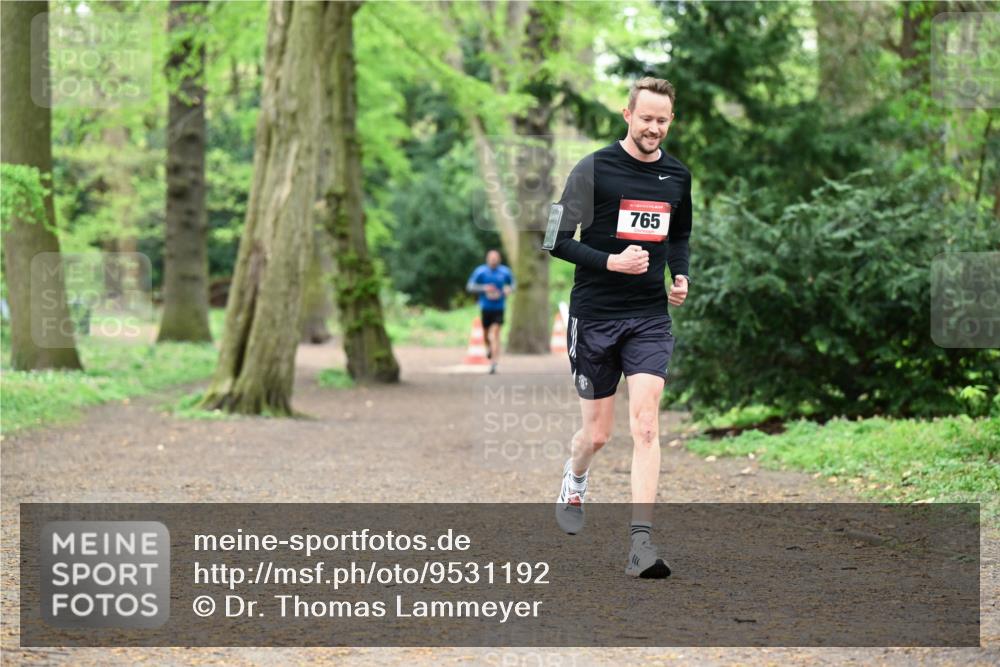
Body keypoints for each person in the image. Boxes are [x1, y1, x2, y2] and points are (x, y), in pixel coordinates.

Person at [547, 77, 692, 578]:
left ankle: (640, 546)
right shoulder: (592, 169)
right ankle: (575, 478)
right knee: (598, 434)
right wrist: (611, 263)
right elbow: (555, 240)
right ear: (626, 115)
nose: (654, 128)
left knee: (647, 425)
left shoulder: (677, 175)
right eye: (646, 117)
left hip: (649, 318)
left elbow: (681, 235)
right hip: (595, 316)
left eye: (662, 120)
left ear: (670, 121)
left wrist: (680, 276)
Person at [466, 250, 515, 374]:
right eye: (491, 258)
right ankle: (488, 348)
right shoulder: (480, 271)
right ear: (487, 259)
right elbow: (470, 286)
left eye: (495, 258)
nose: (493, 260)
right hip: (486, 307)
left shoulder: (505, 271)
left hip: (499, 307)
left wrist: (509, 289)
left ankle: (494, 362)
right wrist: (484, 288)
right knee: (486, 334)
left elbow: (513, 284)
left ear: (499, 259)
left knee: (496, 333)